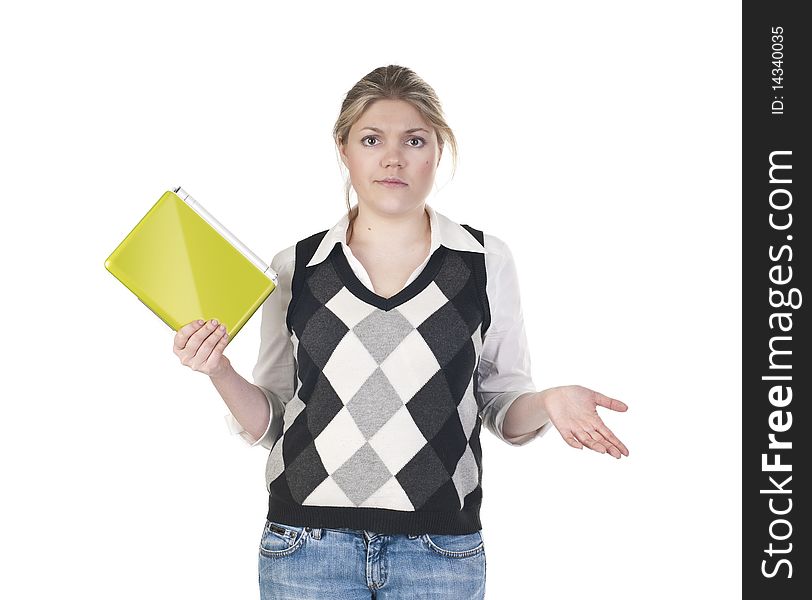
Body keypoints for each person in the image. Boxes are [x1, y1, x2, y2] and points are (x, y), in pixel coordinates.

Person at [172, 65, 629, 600]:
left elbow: (501, 405)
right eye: (372, 140)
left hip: (440, 555)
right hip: (306, 550)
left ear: (439, 151)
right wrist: (218, 369)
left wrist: (549, 400)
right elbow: (271, 418)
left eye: (415, 140)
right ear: (344, 149)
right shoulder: (295, 267)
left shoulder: (483, 261)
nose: (393, 158)